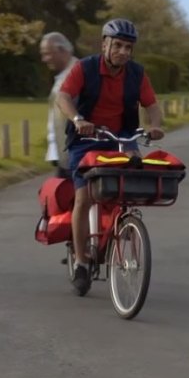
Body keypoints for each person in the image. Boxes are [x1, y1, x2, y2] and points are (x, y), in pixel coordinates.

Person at [56, 18, 164, 296]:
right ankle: (81, 261)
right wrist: (79, 119)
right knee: (84, 197)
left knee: (130, 184)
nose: (124, 52)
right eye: (118, 45)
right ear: (104, 43)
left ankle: (122, 225)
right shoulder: (85, 68)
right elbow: (64, 97)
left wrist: (155, 125)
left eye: (128, 47)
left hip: (123, 138)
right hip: (86, 139)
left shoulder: (136, 74)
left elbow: (151, 104)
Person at [40, 32, 78, 177]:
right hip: (62, 155)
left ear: (62, 51)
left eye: (48, 54)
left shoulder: (76, 75)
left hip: (72, 157)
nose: (44, 59)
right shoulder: (63, 76)